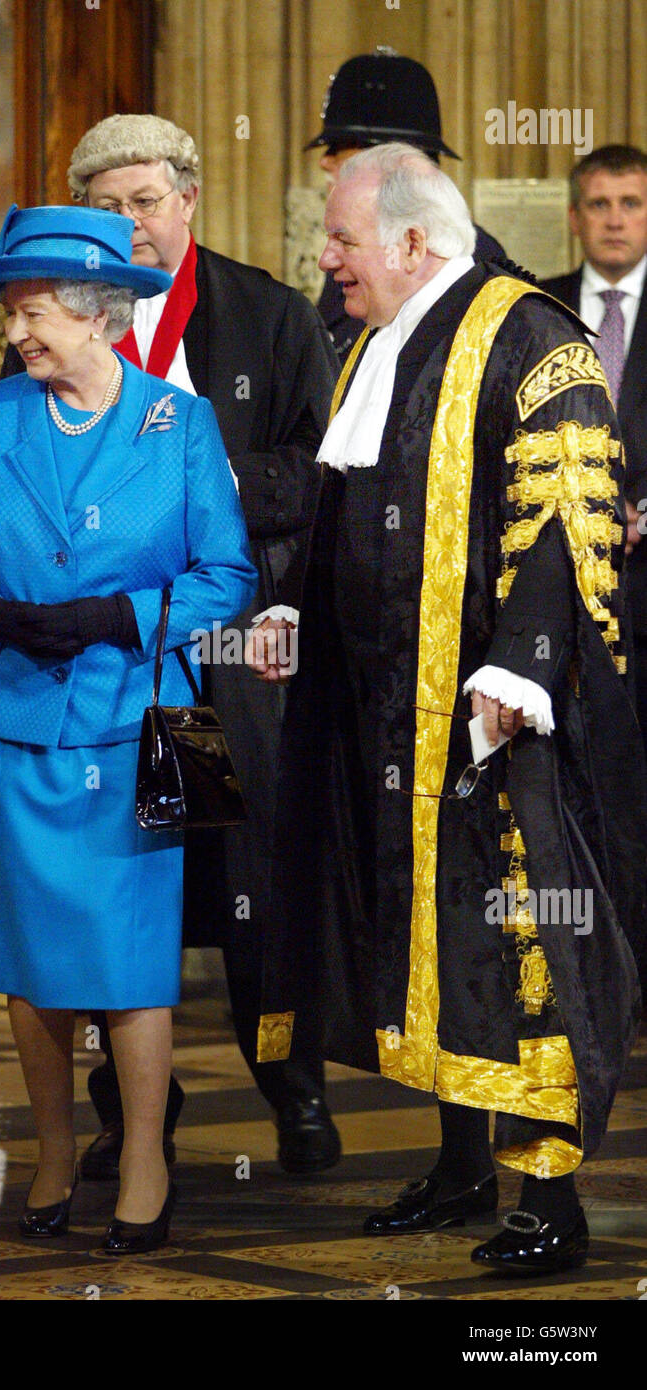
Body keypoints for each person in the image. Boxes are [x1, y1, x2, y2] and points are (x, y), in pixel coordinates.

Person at [248, 144, 646, 1274]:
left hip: (496, 718)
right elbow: (340, 505)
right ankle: (462, 1161)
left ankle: (550, 1200)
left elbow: (571, 512)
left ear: (413, 242)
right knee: (427, 939)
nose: (326, 263)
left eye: (341, 241)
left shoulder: (532, 335)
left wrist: (517, 668)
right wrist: (286, 608)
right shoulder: (373, 344)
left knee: (523, 947)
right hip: (385, 714)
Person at [1, 115, 342, 1178]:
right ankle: (128, 1109)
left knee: (251, 887)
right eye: (104, 206)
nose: (127, 224)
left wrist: (206, 485)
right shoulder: (49, 321)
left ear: (187, 199)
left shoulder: (265, 314)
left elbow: (318, 472)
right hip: (100, 668)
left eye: (144, 200)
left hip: (220, 661)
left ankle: (294, 1090)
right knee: (115, 889)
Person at [0, 204, 257, 1256]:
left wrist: (122, 617)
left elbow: (227, 576)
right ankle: (56, 1148)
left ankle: (145, 1154)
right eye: (15, 313)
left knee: (130, 959)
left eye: (37, 312)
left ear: (100, 316)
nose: (20, 331)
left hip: (134, 727)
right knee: (31, 959)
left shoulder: (177, 425)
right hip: (11, 724)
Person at [540, 145, 647, 761]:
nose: (614, 219)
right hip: (558, 589)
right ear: (575, 217)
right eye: (599, 204)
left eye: (630, 204)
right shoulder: (537, 308)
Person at [305, 47, 506, 359]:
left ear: (392, 159)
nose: (324, 161)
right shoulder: (356, 250)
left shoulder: (471, 261)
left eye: (339, 146)